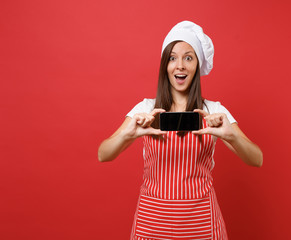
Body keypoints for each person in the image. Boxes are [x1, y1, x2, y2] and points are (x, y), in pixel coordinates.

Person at [98, 20, 263, 240]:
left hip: (202, 225)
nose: (180, 66)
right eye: (173, 58)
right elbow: (103, 154)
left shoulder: (213, 110)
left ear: (197, 65)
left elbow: (257, 159)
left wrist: (232, 136)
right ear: (165, 65)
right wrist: (126, 134)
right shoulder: (146, 109)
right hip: (152, 225)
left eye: (188, 57)